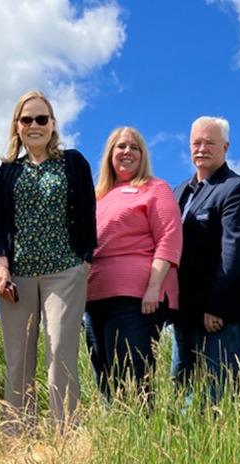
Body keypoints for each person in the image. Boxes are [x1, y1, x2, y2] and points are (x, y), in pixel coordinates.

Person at [0, 91, 96, 432]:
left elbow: (87, 214)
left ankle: (64, 437)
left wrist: (85, 261)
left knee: (60, 357)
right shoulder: (7, 171)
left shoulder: (73, 163)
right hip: (17, 277)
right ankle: (17, 437)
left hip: (64, 273)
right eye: (27, 120)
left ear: (53, 125)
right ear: (17, 127)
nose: (34, 125)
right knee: (18, 359)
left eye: (41, 119)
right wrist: (0, 263)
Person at [85, 126, 182, 402]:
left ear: (143, 155)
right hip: (94, 296)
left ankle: (141, 435)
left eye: (134, 147)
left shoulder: (155, 188)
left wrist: (154, 286)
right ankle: (115, 438)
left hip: (137, 297)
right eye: (121, 146)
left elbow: (169, 239)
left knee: (133, 374)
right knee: (103, 372)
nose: (127, 152)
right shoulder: (97, 196)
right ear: (110, 154)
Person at [171, 116, 240, 403]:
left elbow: (235, 253)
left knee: (215, 393)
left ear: (225, 146)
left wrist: (216, 306)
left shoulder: (236, 188)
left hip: (220, 312)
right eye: (196, 142)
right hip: (185, 311)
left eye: (210, 142)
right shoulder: (180, 191)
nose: (202, 148)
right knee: (181, 387)